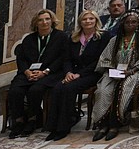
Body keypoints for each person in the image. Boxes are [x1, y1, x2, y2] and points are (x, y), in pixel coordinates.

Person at [44, 10, 106, 140]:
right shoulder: (73, 38)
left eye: (91, 19)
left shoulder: (103, 37)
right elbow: (66, 59)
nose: (88, 21)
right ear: (80, 22)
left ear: (96, 21)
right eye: (85, 19)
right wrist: (68, 72)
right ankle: (53, 126)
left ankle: (63, 127)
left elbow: (100, 60)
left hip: (93, 73)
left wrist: (80, 74)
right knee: (57, 88)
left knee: (69, 88)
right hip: (73, 72)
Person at [91, 11, 139, 141]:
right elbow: (105, 59)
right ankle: (103, 124)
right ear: (122, 24)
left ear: (138, 24)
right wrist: (113, 70)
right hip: (114, 71)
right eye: (127, 22)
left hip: (135, 72)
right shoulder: (115, 40)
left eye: (134, 22)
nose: (130, 24)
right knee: (103, 90)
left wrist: (129, 72)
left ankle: (115, 125)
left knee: (122, 89)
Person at [8, 9, 69, 138]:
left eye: (47, 19)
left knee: (35, 90)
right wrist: (27, 71)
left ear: (52, 21)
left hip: (50, 73)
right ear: (36, 23)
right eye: (40, 20)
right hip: (28, 72)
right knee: (15, 91)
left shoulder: (61, 37)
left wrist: (45, 72)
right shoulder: (29, 39)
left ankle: (33, 119)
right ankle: (18, 121)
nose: (44, 22)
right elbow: (21, 58)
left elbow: (62, 58)